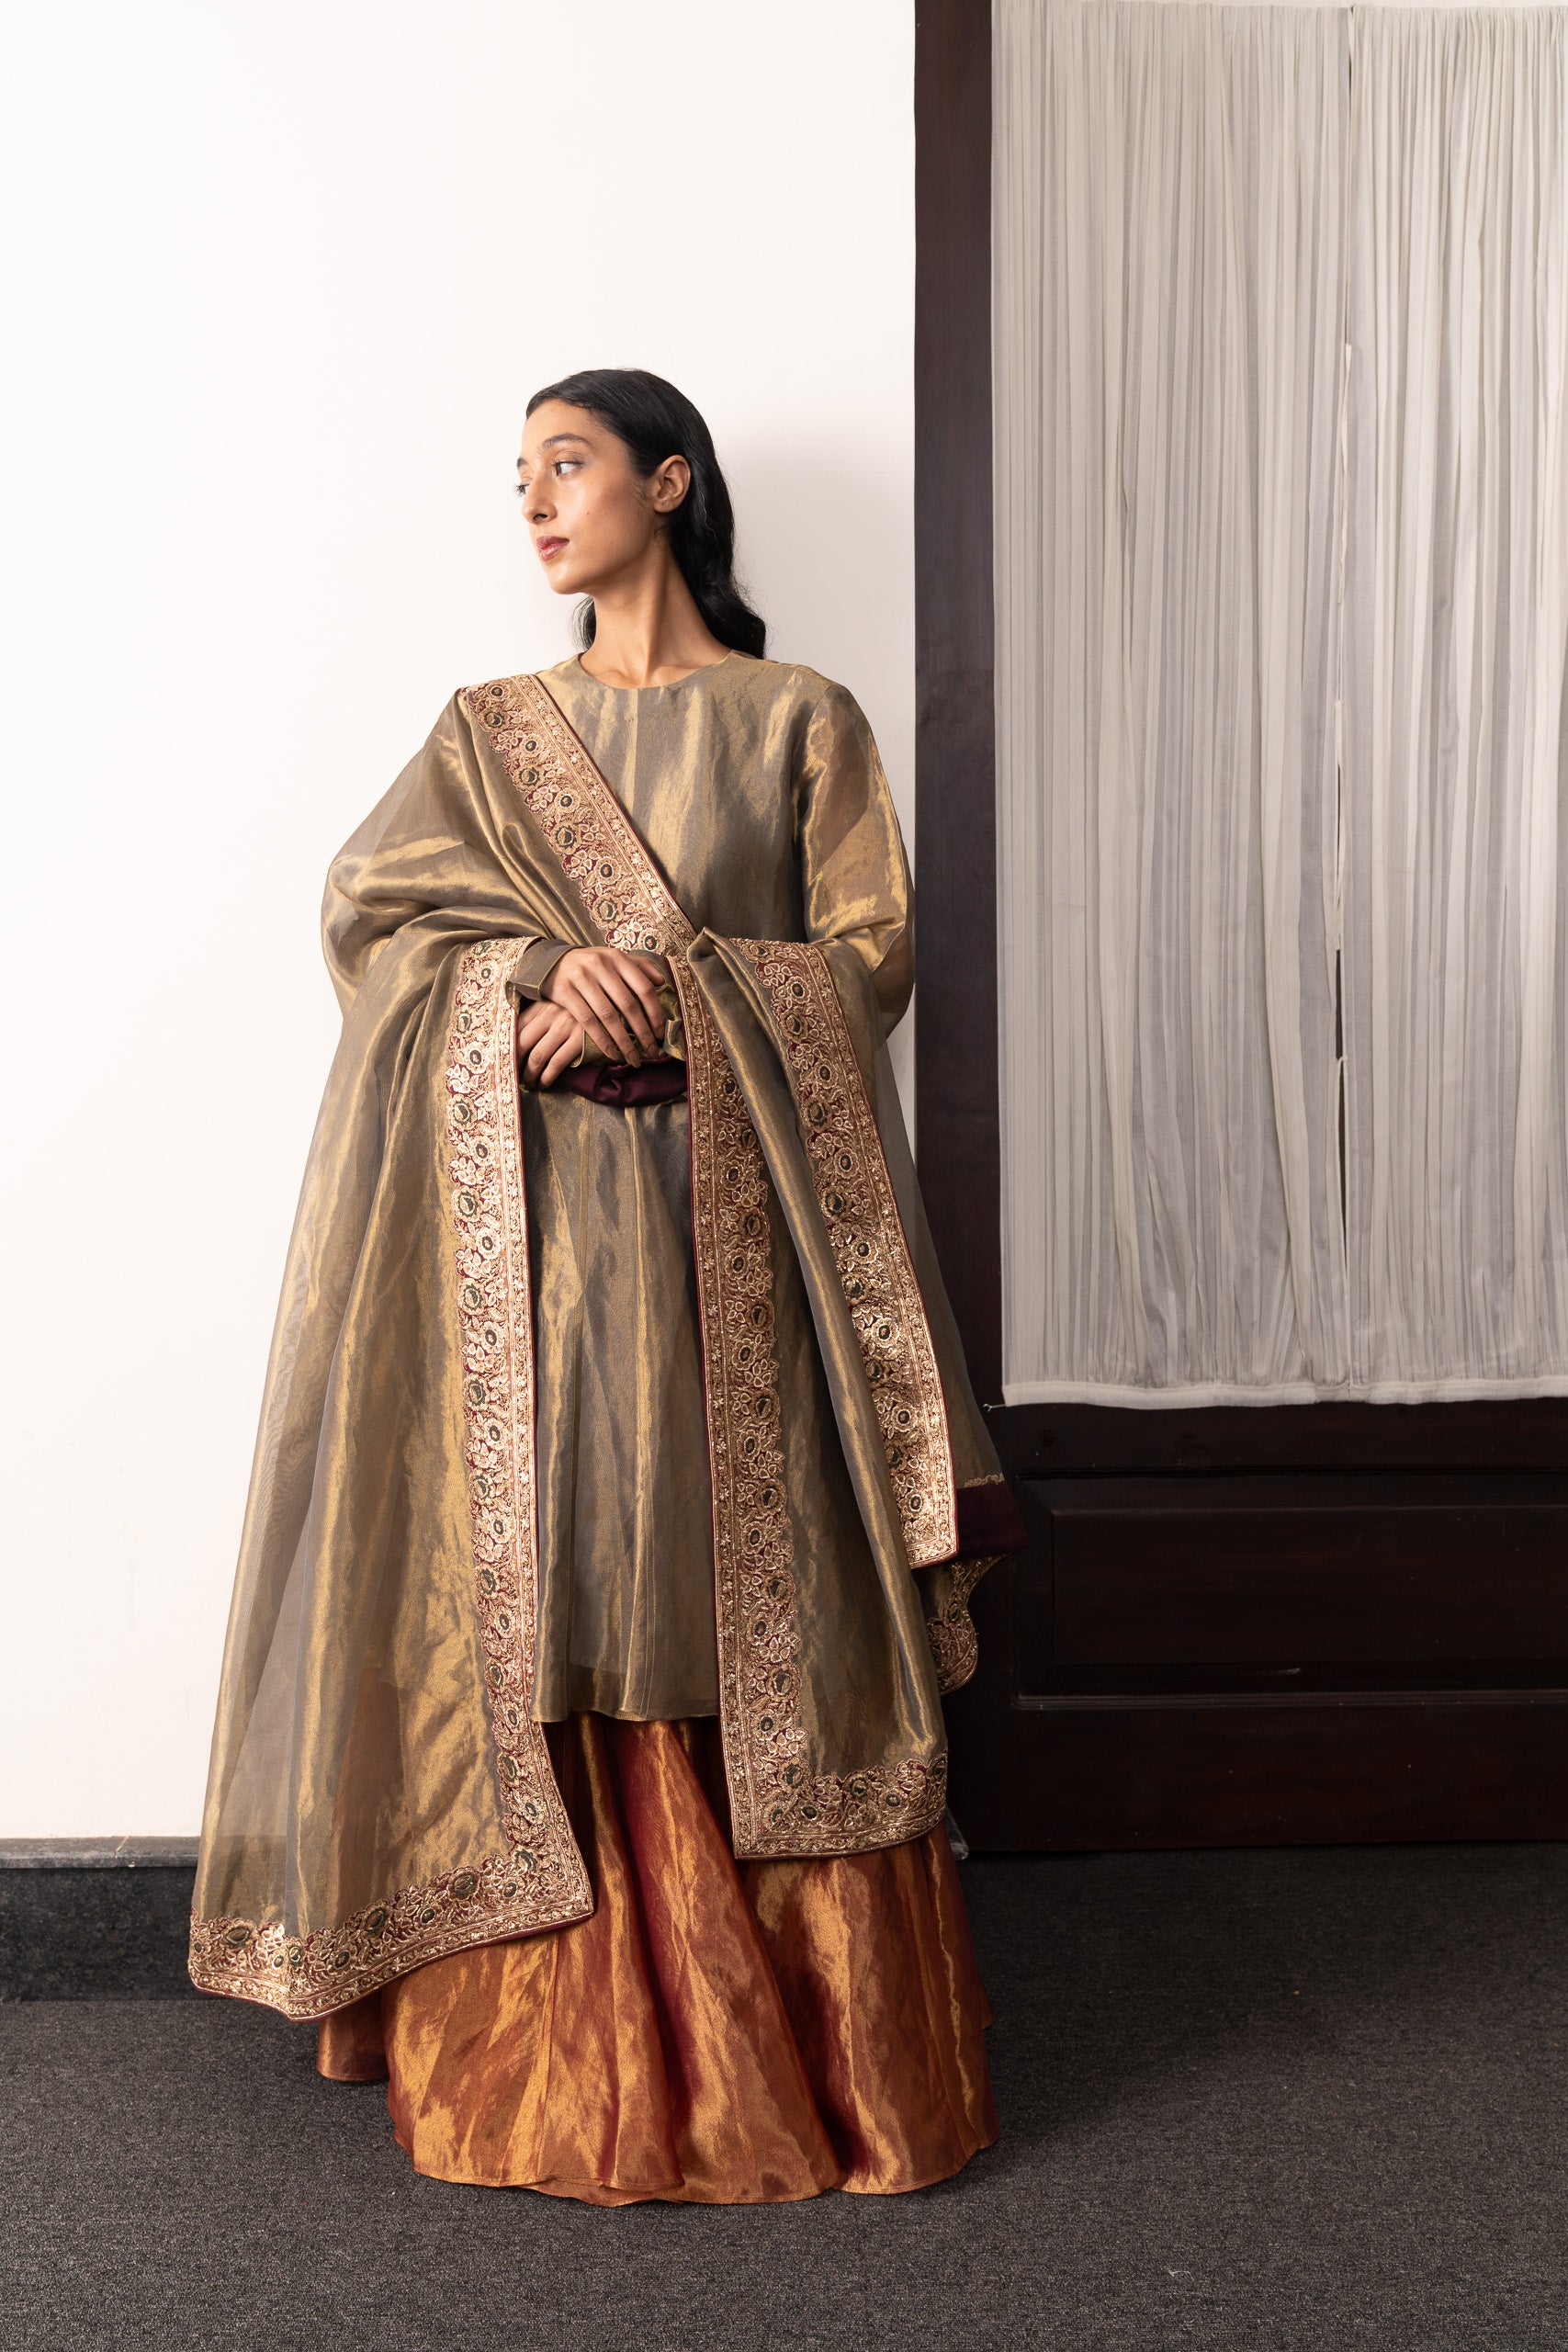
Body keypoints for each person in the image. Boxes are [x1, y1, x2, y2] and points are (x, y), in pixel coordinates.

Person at [189, 367, 1025, 2202]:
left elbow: (870, 955)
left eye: (565, 464)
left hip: (739, 1236)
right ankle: (545, 2039)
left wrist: (677, 993)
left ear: (671, 480)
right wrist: (523, 980)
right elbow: (373, 922)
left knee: (733, 1568)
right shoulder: (493, 732)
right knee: (564, 1567)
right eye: (518, 477)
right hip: (544, 1246)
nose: (535, 503)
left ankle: (804, 2042)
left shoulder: (797, 717)